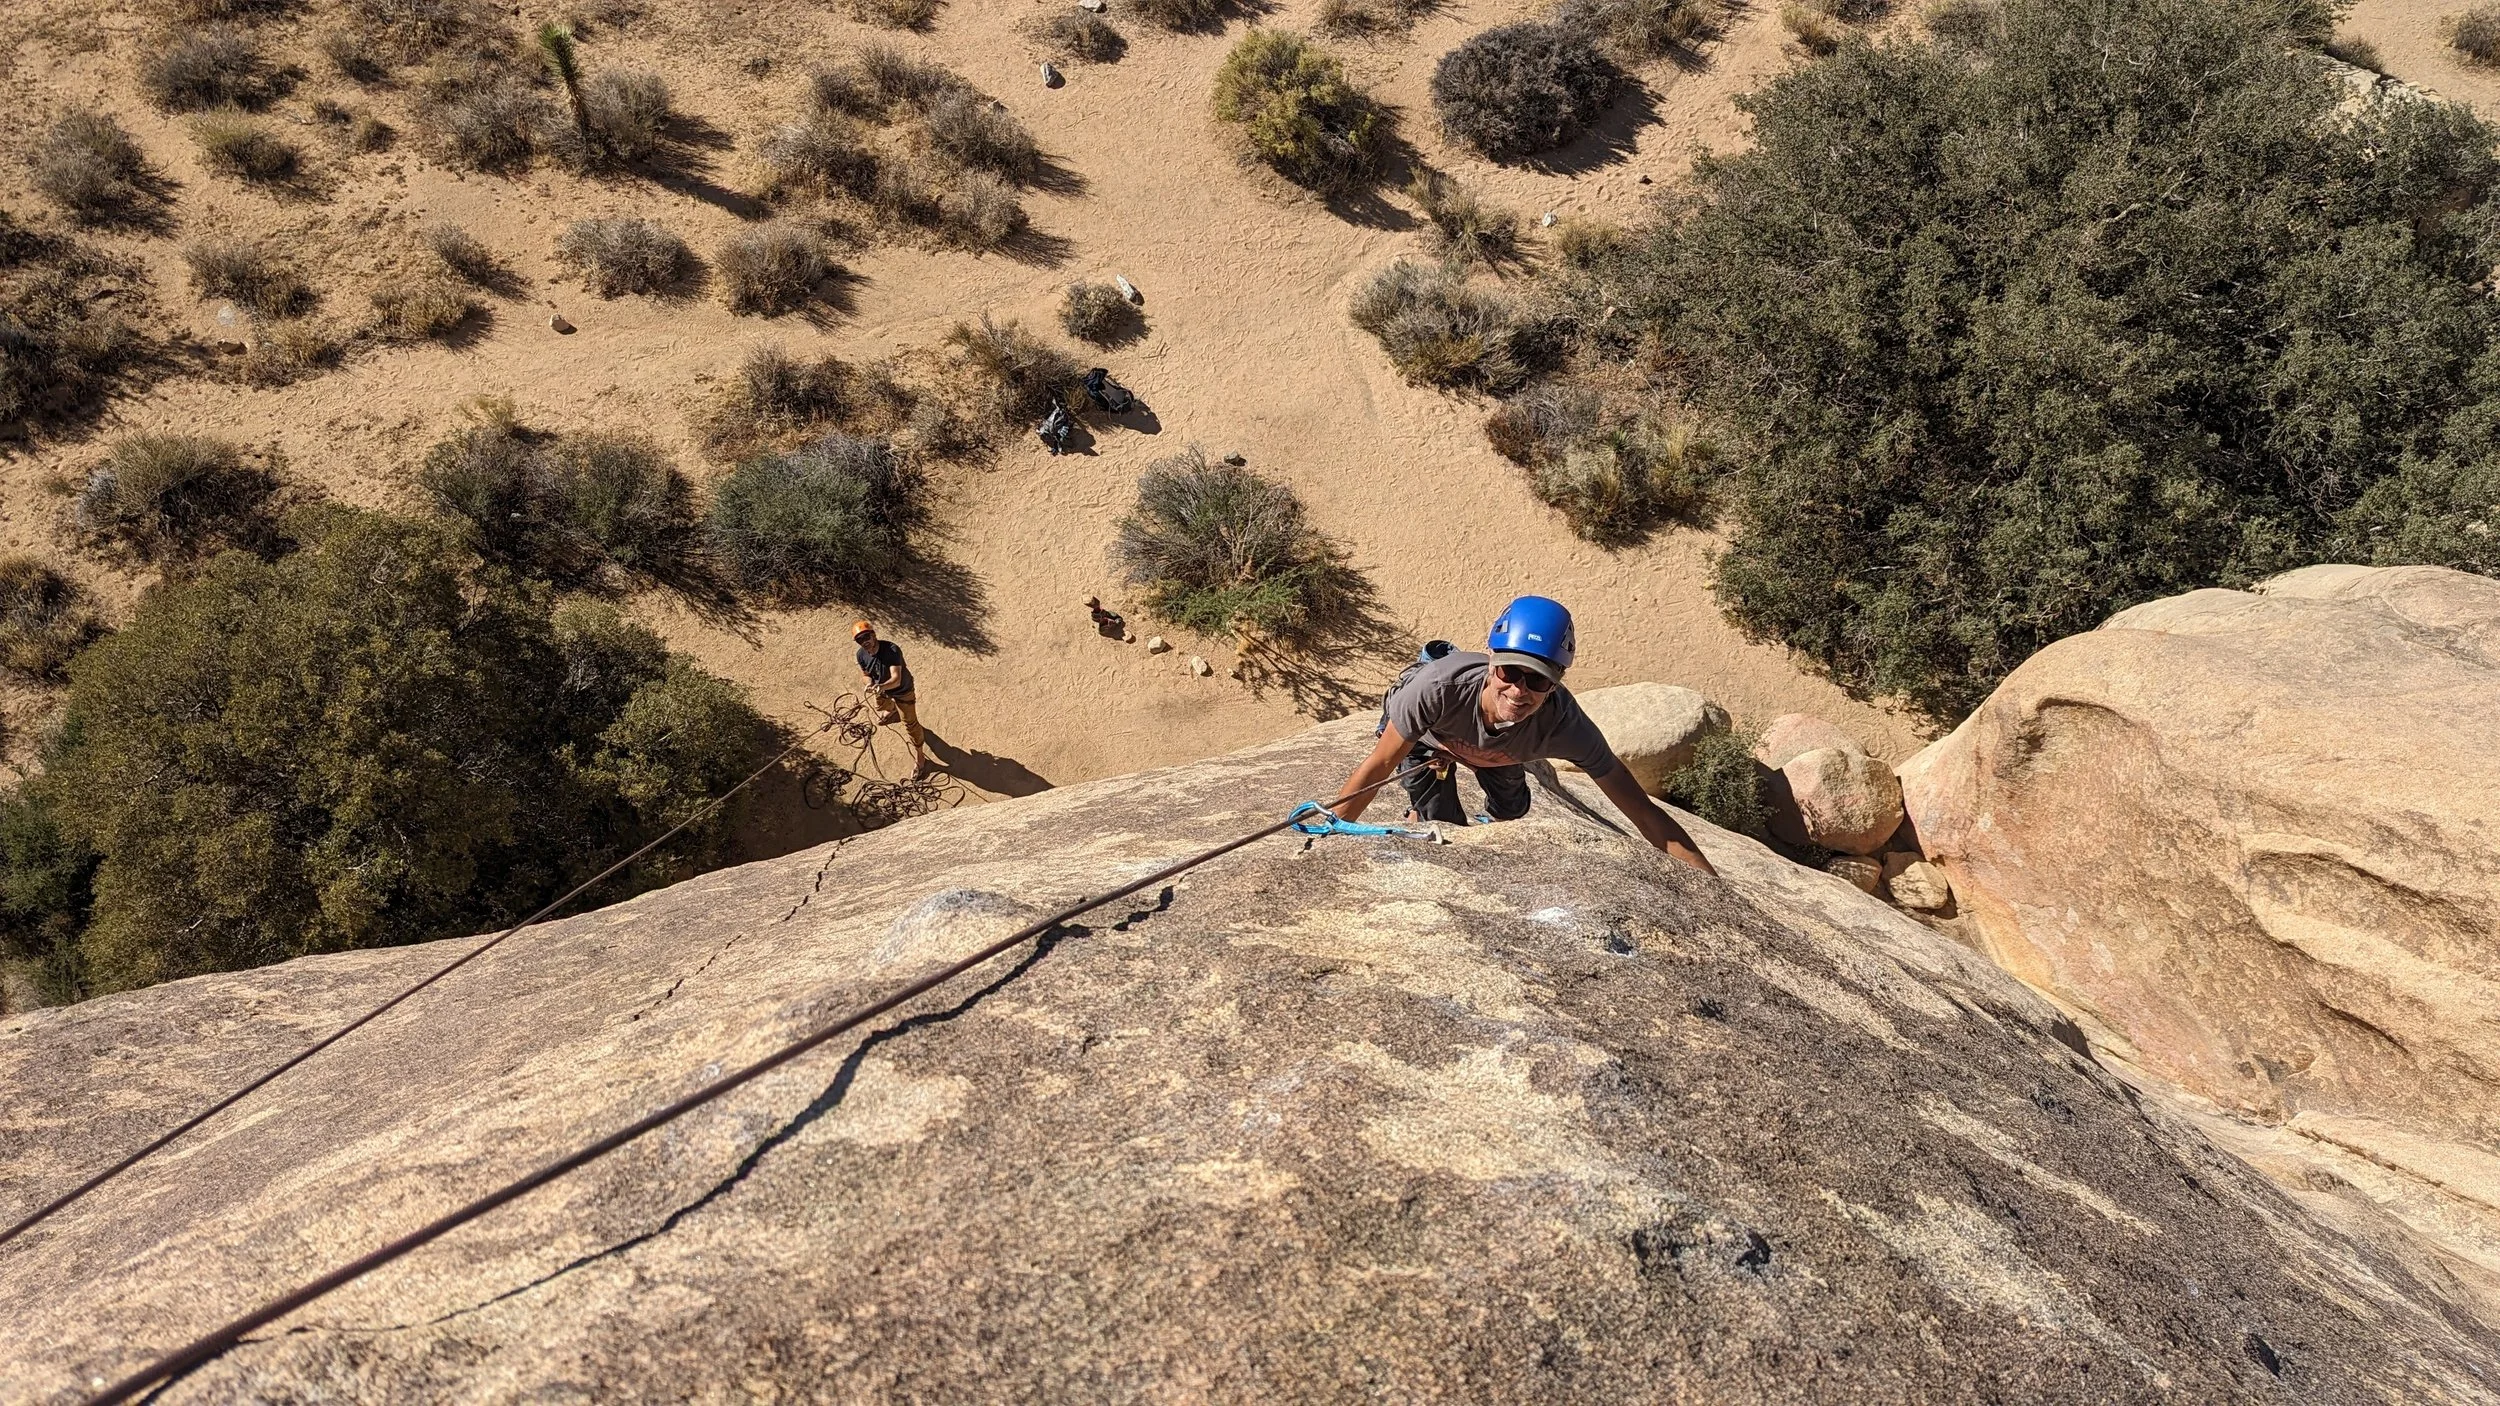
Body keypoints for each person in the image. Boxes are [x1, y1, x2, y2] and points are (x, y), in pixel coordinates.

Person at [1325, 596, 1717, 875]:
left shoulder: (1566, 726)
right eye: (1509, 672)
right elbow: (1380, 764)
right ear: (1490, 663)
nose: (1518, 691)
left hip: (1500, 752)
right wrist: (1330, 832)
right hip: (1431, 741)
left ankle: (1478, 801)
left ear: (1556, 684)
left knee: (1512, 812)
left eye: (1537, 680)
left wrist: (1713, 891)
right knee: (1443, 826)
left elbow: (1643, 812)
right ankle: (1421, 809)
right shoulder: (1439, 688)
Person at [853, 620, 932, 778]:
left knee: (910, 724)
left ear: (874, 635)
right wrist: (869, 684)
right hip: (881, 688)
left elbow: (896, 679)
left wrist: (881, 686)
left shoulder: (891, 650)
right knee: (882, 706)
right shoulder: (861, 654)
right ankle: (892, 711)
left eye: (866, 637)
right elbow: (865, 675)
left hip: (902, 690)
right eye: (860, 640)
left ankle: (920, 757)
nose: (864, 642)